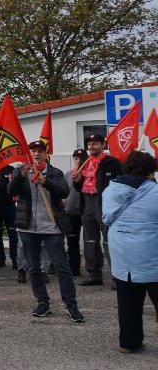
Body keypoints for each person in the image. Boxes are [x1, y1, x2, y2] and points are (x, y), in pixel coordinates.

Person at [9, 141, 83, 323]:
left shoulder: (54, 172)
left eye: (40, 151)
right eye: (33, 151)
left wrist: (46, 182)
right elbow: (10, 190)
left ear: (45, 154)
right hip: (27, 227)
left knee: (62, 266)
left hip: (51, 227)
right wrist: (21, 175)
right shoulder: (20, 171)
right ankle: (42, 302)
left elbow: (64, 192)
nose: (36, 154)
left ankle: (71, 305)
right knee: (34, 268)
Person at [102, 150, 158, 353]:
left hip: (122, 255)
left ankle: (129, 342)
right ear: (150, 171)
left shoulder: (111, 190)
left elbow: (106, 218)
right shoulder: (154, 192)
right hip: (151, 255)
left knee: (128, 302)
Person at [72, 133, 123, 286]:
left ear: (103, 145)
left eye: (95, 143)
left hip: (105, 205)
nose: (91, 146)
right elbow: (78, 187)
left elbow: (121, 184)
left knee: (109, 241)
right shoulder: (84, 162)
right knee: (90, 241)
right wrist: (77, 181)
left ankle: (117, 277)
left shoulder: (113, 162)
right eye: (89, 144)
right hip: (87, 204)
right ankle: (94, 275)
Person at [64, 148, 86, 276]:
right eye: (76, 158)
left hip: (85, 212)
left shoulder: (90, 174)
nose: (78, 161)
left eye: (81, 158)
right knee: (72, 241)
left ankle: (92, 268)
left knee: (90, 242)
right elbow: (64, 191)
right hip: (71, 213)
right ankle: (74, 267)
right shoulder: (68, 174)